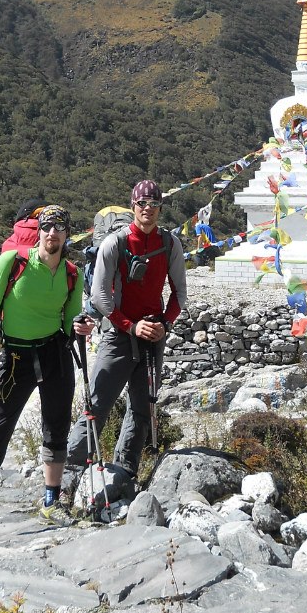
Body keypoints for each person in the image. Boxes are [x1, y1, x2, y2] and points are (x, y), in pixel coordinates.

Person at [0, 204, 94, 549]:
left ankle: (50, 502)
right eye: (46, 227)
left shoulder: (72, 273)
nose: (52, 233)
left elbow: (70, 321)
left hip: (55, 353)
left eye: (59, 228)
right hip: (14, 357)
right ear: (39, 230)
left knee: (56, 425)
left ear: (67, 234)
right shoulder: (13, 262)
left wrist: (80, 326)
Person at [54, 180, 187, 519]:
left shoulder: (169, 244)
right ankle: (65, 482)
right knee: (97, 405)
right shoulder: (115, 243)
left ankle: (124, 474)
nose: (148, 208)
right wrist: (130, 326)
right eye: (142, 203)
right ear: (133, 206)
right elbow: (100, 297)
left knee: (142, 408)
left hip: (153, 334)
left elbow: (179, 296)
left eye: (154, 203)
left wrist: (164, 325)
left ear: (160, 207)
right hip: (117, 335)